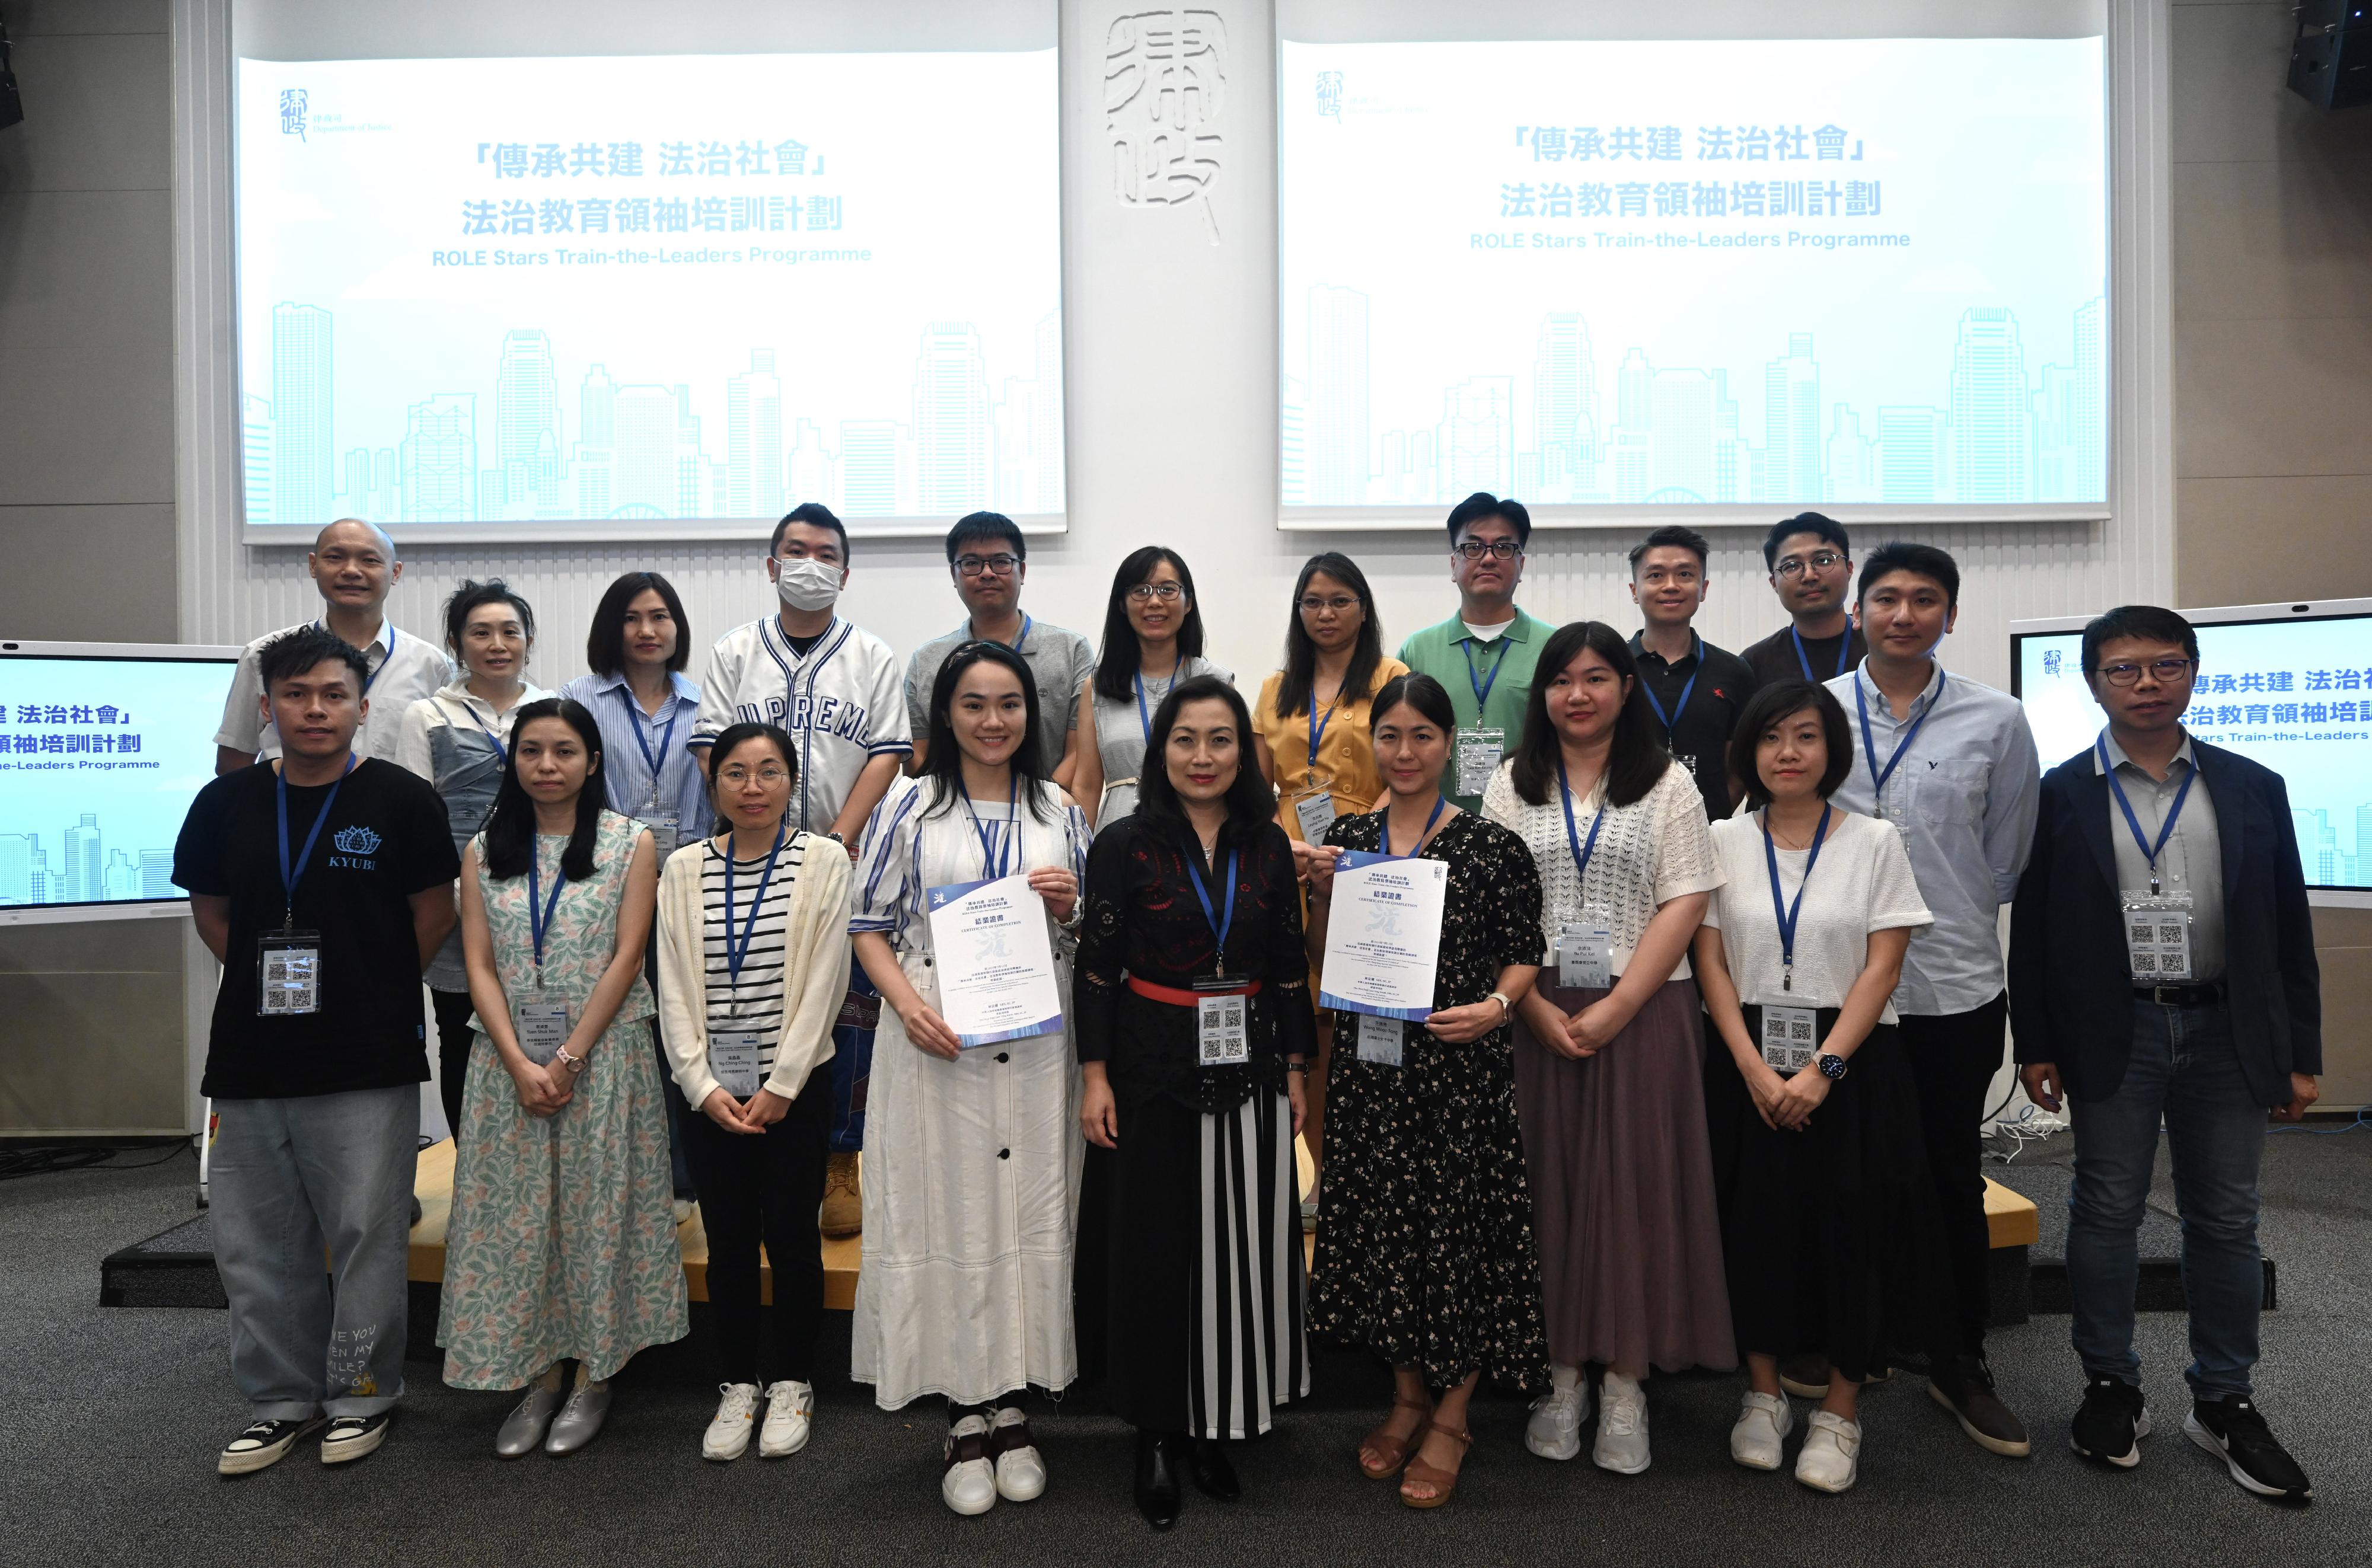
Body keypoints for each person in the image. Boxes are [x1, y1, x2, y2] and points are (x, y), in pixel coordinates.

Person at [2011, 606, 2320, 1503]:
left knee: (2225, 1216)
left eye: (2164, 665)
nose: (2146, 683)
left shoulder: (2254, 784)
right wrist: (2035, 1042)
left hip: (2228, 1026)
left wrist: (2300, 1050)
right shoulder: (2061, 793)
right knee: (2106, 1205)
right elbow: (2032, 936)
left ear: (2194, 671)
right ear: (2092, 681)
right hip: (2117, 1028)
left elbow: (2288, 928)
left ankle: (2224, 1398)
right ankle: (2112, 1385)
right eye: (2122, 669)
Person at [175, 626, 459, 1475]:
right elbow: (213, 913)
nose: (315, 709)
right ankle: (279, 1401)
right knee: (257, 1237)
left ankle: (361, 1394)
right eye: (296, 695)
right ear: (268, 708)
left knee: (366, 1229)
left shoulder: (404, 801)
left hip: (366, 1054)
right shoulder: (224, 804)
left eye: (334, 695)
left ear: (362, 706)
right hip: (252, 1055)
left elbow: (433, 910)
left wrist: (369, 987)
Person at [1484, 621, 1732, 1476]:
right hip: (1537, 1009)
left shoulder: (1669, 786)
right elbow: (1494, 904)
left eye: (1597, 677)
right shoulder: (1510, 784)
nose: (1578, 694)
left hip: (1645, 1010)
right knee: (1547, 1191)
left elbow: (1686, 900)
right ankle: (1561, 1376)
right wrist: (1531, 1008)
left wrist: (1622, 1003)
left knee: (1634, 1193)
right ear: (1542, 695)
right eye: (1562, 679)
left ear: (1627, 689)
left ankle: (1625, 1382)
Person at [847, 642, 1091, 1516]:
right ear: (945, 714)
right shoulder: (910, 806)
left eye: (1011, 704)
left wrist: (1072, 906)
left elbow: (1091, 926)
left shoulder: (1061, 808)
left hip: (1034, 1044)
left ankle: (1015, 1405)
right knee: (945, 1205)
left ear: (1035, 714)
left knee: (1028, 1206)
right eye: (975, 704)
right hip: (937, 1036)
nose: (994, 721)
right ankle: (963, 1410)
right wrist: (907, 1007)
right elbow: (867, 923)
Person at [1303, 672, 1549, 1509]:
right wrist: (1324, 894)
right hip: (1371, 1076)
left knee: (1457, 1236)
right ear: (1372, 744)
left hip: (1457, 1075)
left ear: (1449, 746)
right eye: (1390, 736)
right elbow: (1319, 953)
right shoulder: (1350, 836)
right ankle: (1407, 1394)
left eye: (1422, 737)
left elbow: (1525, 950)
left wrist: (1499, 1005)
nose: (1404, 753)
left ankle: (1452, 1413)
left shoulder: (1490, 845)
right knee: (1381, 1232)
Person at [1075, 675, 1314, 1531]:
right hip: (1147, 1065)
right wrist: (1094, 1074)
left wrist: (1296, 1069)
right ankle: (1156, 1431)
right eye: (1186, 739)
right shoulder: (1125, 843)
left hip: (1246, 1061)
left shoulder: (1268, 845)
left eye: (1220, 740)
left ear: (1244, 752)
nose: (1203, 757)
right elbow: (1097, 969)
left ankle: (1219, 1420)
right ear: (1160, 751)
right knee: (1154, 1249)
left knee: (1236, 1252)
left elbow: (1288, 964)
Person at [1693, 681, 1940, 1494]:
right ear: (1748, 752)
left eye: (1805, 735)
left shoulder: (1874, 839)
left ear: (1832, 747)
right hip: (1749, 1062)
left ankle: (1840, 1407)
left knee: (1854, 1232)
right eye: (1771, 738)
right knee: (1753, 1227)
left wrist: (1823, 1068)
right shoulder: (1724, 839)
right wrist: (1754, 1068)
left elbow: (1885, 965)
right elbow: (1711, 964)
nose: (1788, 752)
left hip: (1853, 1064)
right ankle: (1762, 1395)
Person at [1822, 542, 2041, 1457]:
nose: (1903, 614)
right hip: (1835, 986)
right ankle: (1849, 1346)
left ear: (1950, 615)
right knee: (1846, 1174)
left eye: (1924, 600)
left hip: (1951, 985)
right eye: (1886, 599)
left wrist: (1934, 917)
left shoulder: (1999, 719)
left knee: (1951, 1175)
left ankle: (1959, 1357)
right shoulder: (1816, 714)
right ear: (1858, 610)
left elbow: (2005, 857)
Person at [438, 698, 687, 1457]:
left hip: (602, 1060)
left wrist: (568, 1057)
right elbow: (476, 961)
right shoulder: (484, 849)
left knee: (596, 1214)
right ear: (513, 761)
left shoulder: (629, 842)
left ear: (591, 761)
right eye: (533, 751)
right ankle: (537, 1373)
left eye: (565, 751)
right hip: (506, 1065)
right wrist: (518, 1059)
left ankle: (593, 1373)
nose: (548, 765)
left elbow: (627, 956)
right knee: (518, 1224)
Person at [691, 503, 912, 1238]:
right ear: (771, 562)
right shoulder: (733, 652)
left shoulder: (871, 654)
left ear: (845, 572)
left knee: (846, 1010)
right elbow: (710, 749)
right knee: (752, 1001)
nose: (809, 562)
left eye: (825, 553)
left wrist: (839, 837)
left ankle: (838, 1158)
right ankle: (749, 1142)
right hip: (748, 858)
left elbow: (887, 749)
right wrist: (763, 827)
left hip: (843, 860)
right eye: (796, 549)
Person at [656, 722, 854, 1464]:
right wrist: (699, 1084)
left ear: (791, 780)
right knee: (729, 1239)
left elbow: (828, 980)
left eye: (769, 771)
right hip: (711, 1093)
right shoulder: (680, 868)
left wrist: (782, 1085)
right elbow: (671, 984)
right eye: (735, 772)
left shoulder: (824, 858)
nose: (752, 786)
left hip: (794, 1087)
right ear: (713, 785)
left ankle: (794, 1379)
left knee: (794, 1237)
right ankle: (738, 1380)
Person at [1249, 551, 1407, 1221]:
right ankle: (1314, 1178)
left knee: (1362, 1015)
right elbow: (1259, 789)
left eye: (1340, 600)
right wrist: (1289, 848)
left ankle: (1370, 1174)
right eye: (1313, 601)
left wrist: (1354, 845)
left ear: (1362, 607)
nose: (1326, 613)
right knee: (1302, 1018)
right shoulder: (1275, 686)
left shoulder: (1391, 676)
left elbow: (1406, 766)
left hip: (1369, 858)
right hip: (1288, 861)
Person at [559, 570, 707, 1216]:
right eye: (632, 618)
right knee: (620, 1036)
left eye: (660, 616)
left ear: (677, 627)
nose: (647, 631)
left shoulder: (707, 704)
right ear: (611, 628)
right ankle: (615, 1174)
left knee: (684, 1031)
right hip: (605, 889)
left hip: (689, 888)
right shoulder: (578, 699)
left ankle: (681, 1175)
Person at [398, 580, 552, 1146]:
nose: (497, 644)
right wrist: (465, 900)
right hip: (458, 913)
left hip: (544, 910)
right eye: (480, 632)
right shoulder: (427, 714)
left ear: (529, 640)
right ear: (457, 643)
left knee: (541, 1032)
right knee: (461, 1036)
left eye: (510, 631)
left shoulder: (553, 709)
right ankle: (475, 1172)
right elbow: (419, 825)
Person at [213, 518, 448, 774]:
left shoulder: (431, 664)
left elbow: (447, 764)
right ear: (314, 565)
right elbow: (233, 762)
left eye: (370, 560)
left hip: (393, 813)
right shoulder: (263, 654)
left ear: (395, 572)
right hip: (286, 810)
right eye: (335, 557)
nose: (351, 570)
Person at [904, 511, 1096, 785]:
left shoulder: (1071, 650)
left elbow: (1080, 751)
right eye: (971, 563)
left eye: (1001, 562)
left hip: (1049, 814)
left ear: (1023, 572)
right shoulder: (927, 661)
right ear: (954, 575)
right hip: (951, 817)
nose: (987, 573)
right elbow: (918, 754)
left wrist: (1037, 806)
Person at [1396, 494, 1554, 814]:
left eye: (1504, 547)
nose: (1489, 558)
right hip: (1436, 827)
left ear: (1521, 564)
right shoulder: (1418, 650)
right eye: (1473, 547)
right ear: (1454, 565)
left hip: (1532, 822)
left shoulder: (1555, 646)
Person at [1072, 545, 1232, 828]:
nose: (1155, 602)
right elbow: (1086, 785)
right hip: (1119, 835)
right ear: (1122, 603)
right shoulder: (1097, 687)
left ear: (1188, 602)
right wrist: (1081, 855)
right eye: (1141, 591)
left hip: (1198, 831)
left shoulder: (1216, 682)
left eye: (1168, 590)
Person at [1626, 524, 1758, 822]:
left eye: (1685, 574)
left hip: (1710, 835)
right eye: (1656, 575)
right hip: (1624, 836)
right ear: (1635, 592)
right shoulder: (1612, 668)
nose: (1671, 585)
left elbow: (1738, 770)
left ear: (1704, 589)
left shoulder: (1734, 670)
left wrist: (1708, 820)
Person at [1740, 512, 1867, 688]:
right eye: (1791, 566)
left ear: (1849, 569)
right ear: (1774, 583)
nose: (1809, 576)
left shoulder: (1881, 647)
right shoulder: (1754, 664)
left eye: (1823, 560)